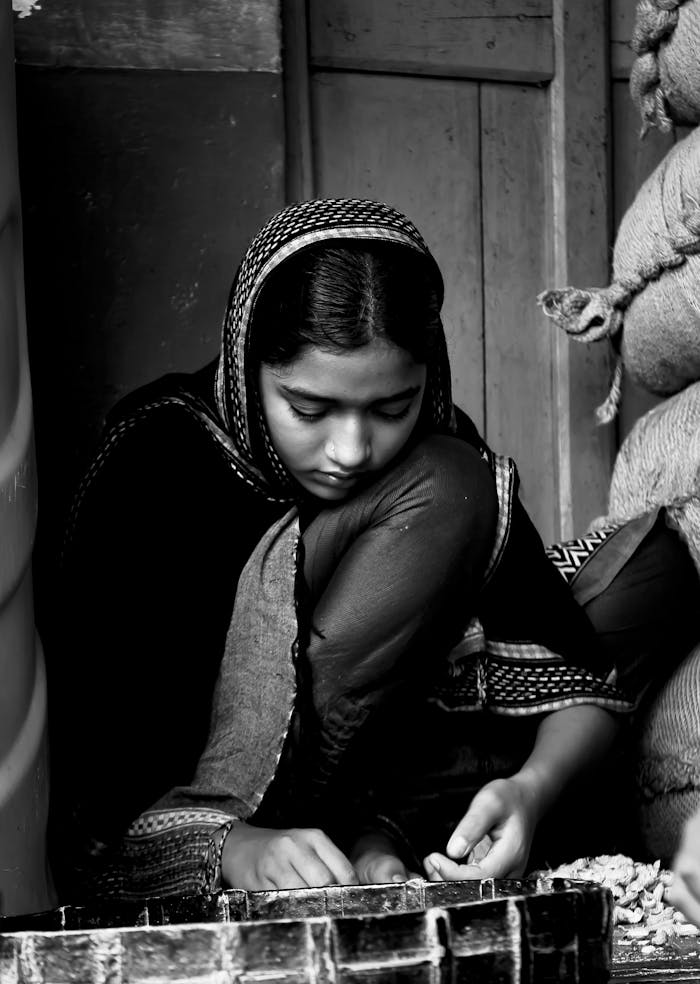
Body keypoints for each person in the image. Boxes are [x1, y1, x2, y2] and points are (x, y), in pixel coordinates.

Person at [48, 198, 700, 902]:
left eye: (392, 409)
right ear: (245, 366)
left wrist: (528, 793)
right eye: (307, 409)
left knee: (657, 570)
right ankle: (354, 835)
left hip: (403, 774)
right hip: (233, 811)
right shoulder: (158, 465)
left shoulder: (440, 442)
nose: (351, 451)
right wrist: (235, 849)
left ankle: (383, 838)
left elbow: (581, 675)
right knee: (448, 489)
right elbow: (100, 796)